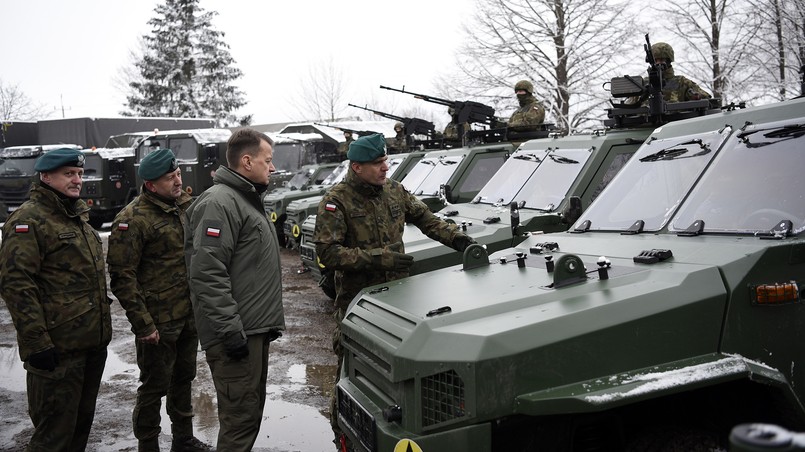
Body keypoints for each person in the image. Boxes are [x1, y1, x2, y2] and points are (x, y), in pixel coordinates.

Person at [312, 133, 476, 449]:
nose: (385, 167)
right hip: (359, 304)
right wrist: (379, 257)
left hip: (399, 300)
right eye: (377, 163)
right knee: (351, 372)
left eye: (386, 160)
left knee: (397, 371)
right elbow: (328, 254)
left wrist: (460, 241)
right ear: (357, 167)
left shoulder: (394, 191)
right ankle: (343, 435)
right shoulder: (337, 201)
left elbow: (428, 220)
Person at [0, 148, 112, 451]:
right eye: (69, 174)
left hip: (90, 346)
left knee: (78, 431)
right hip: (57, 352)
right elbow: (16, 284)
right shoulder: (29, 220)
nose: (77, 180)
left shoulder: (75, 216)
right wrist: (36, 343)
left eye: (79, 174)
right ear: (45, 176)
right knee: (53, 438)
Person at [183, 128, 285, 452]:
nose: (272, 168)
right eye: (267, 161)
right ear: (246, 161)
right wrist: (230, 331)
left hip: (251, 331)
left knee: (249, 417)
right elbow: (206, 272)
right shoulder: (220, 202)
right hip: (236, 335)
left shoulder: (245, 200)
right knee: (239, 424)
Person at [107, 149, 213, 452]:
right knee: (153, 387)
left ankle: (183, 439)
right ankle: (148, 444)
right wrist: (143, 325)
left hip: (187, 316)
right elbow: (122, 277)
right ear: (151, 184)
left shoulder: (184, 207)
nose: (178, 181)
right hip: (157, 323)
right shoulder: (132, 219)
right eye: (170, 178)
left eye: (178, 174)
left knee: (184, 379)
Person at [648, 42, 712, 102]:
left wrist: (697, 96)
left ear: (668, 61)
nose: (658, 63)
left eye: (661, 60)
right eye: (655, 61)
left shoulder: (682, 83)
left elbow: (707, 99)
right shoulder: (644, 84)